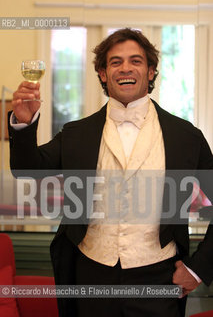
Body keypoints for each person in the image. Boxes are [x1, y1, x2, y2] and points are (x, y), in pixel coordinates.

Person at [9, 28, 213, 317]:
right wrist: (24, 125)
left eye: (136, 61)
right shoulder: (76, 133)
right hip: (90, 276)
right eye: (115, 62)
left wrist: (198, 268)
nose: (125, 68)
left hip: (160, 278)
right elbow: (27, 171)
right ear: (103, 74)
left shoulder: (187, 137)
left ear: (151, 71)